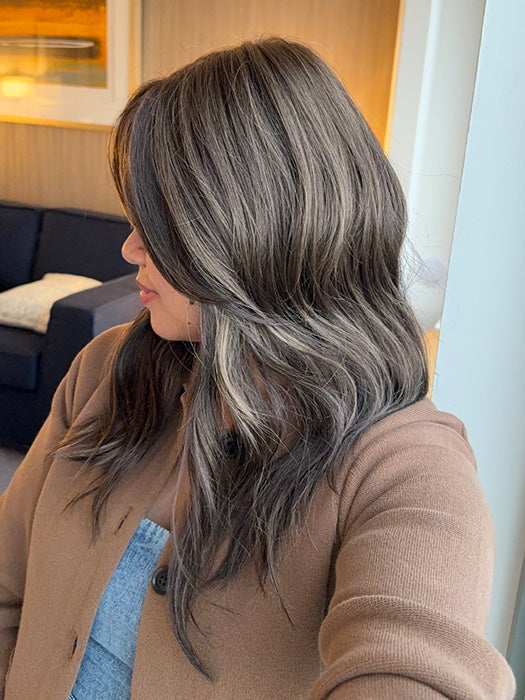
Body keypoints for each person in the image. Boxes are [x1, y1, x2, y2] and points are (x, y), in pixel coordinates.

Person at [0, 38, 515, 700]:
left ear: (250, 232)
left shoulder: (405, 468)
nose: (129, 246)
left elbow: (416, 667)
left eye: (158, 225)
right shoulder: (108, 369)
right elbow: (8, 582)